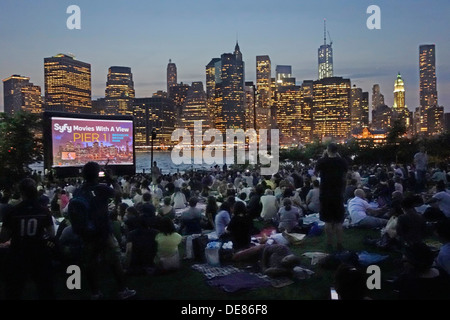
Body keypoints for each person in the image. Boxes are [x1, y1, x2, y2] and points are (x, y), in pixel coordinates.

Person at [74, 162, 136, 300]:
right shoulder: (101, 188)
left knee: (91, 263)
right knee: (115, 261)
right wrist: (112, 180)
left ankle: (95, 292)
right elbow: (120, 193)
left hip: (87, 232)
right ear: (97, 174)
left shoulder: (78, 190)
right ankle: (122, 290)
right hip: (103, 230)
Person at [0, 178, 55, 300]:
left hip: (18, 253)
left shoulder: (13, 211)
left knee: (14, 289)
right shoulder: (44, 211)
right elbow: (51, 233)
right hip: (39, 252)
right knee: (44, 288)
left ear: (21, 192)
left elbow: (3, 237)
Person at [314, 143, 348, 251]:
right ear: (337, 151)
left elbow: (315, 173)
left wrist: (324, 156)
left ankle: (329, 243)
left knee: (328, 221)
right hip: (338, 194)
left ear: (327, 150)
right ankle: (340, 244)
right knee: (338, 221)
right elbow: (345, 175)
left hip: (325, 194)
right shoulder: (342, 161)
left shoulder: (322, 161)